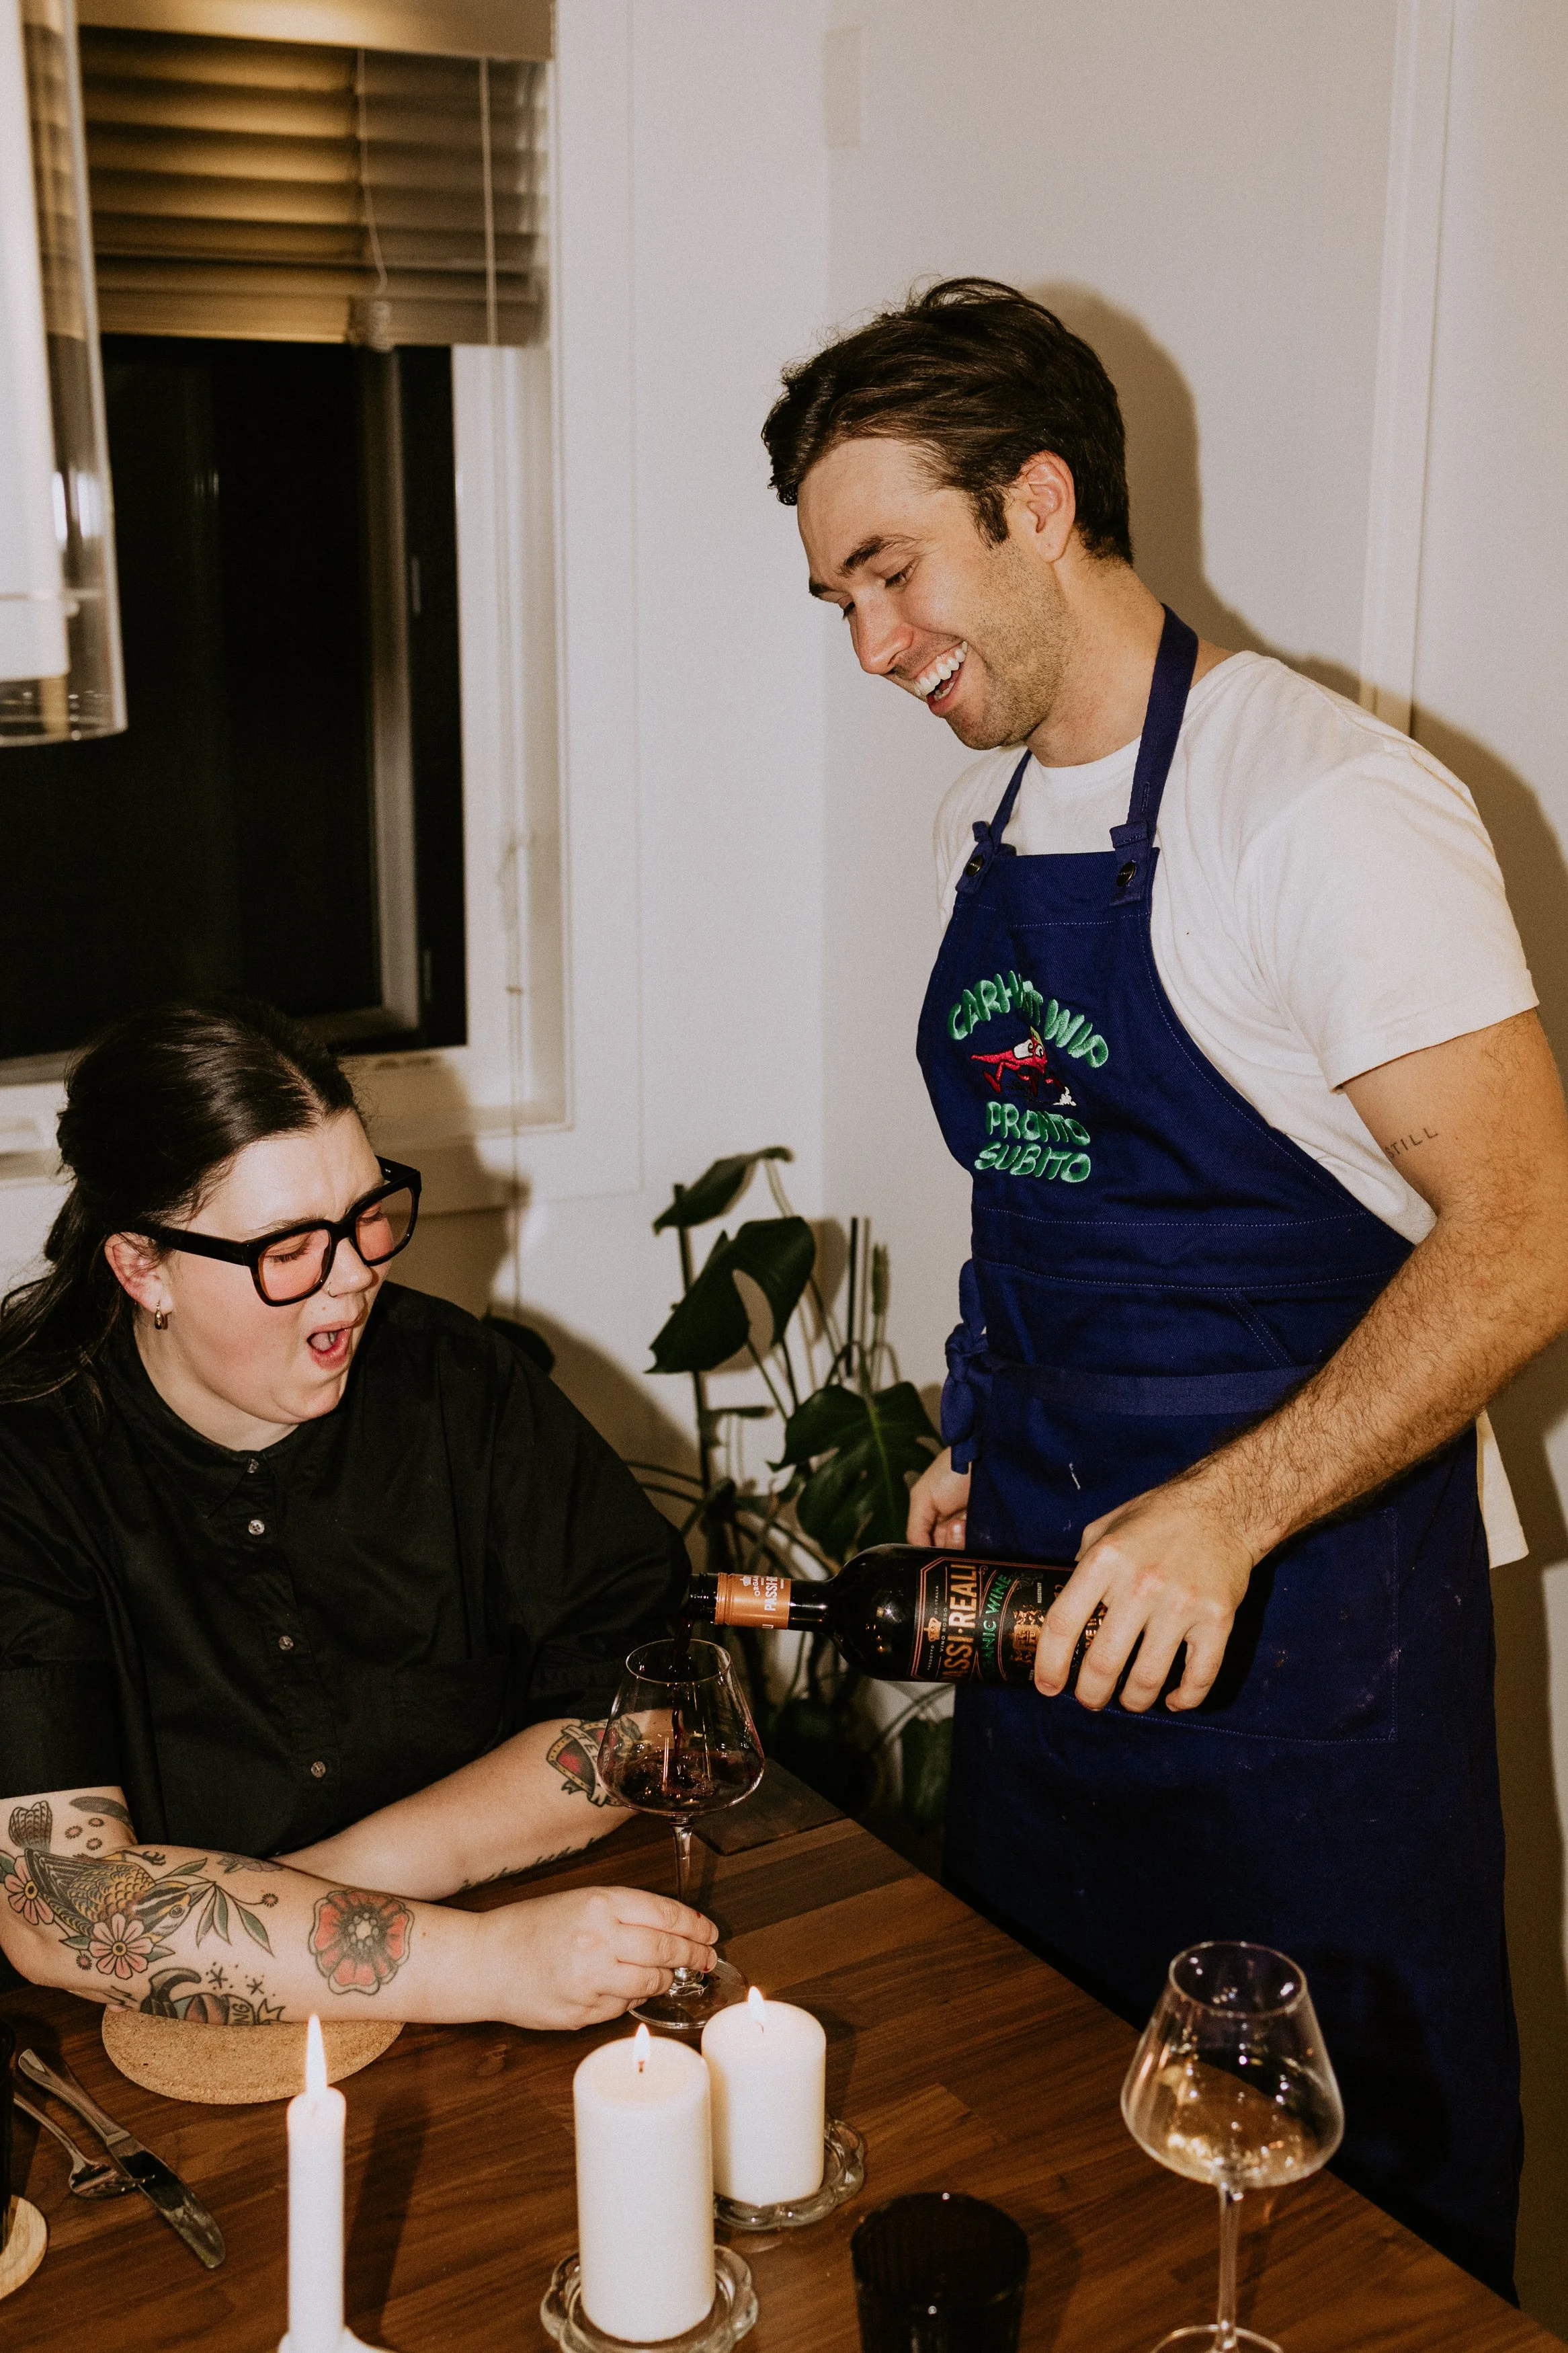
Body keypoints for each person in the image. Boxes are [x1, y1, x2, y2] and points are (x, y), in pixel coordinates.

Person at [761, 278, 1568, 2296]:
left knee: (1345, 2214)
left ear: (1038, 502)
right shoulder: (977, 827)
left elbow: (1528, 1230)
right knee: (1052, 2131)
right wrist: (974, 1423)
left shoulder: (1318, 806)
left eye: (891, 570)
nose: (871, 646)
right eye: (837, 599)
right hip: (1046, 1627)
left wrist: (1224, 1508)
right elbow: (1038, 1183)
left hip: (1306, 1658)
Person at [0, 999, 714, 2032]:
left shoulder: (459, 1381)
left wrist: (326, 1893)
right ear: (143, 1266)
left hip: (495, 1972)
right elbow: (58, 1908)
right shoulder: (26, 1464)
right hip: (137, 2049)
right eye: (290, 1246)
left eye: (366, 1213)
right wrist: (483, 1964)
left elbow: (648, 1708)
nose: (356, 1275)